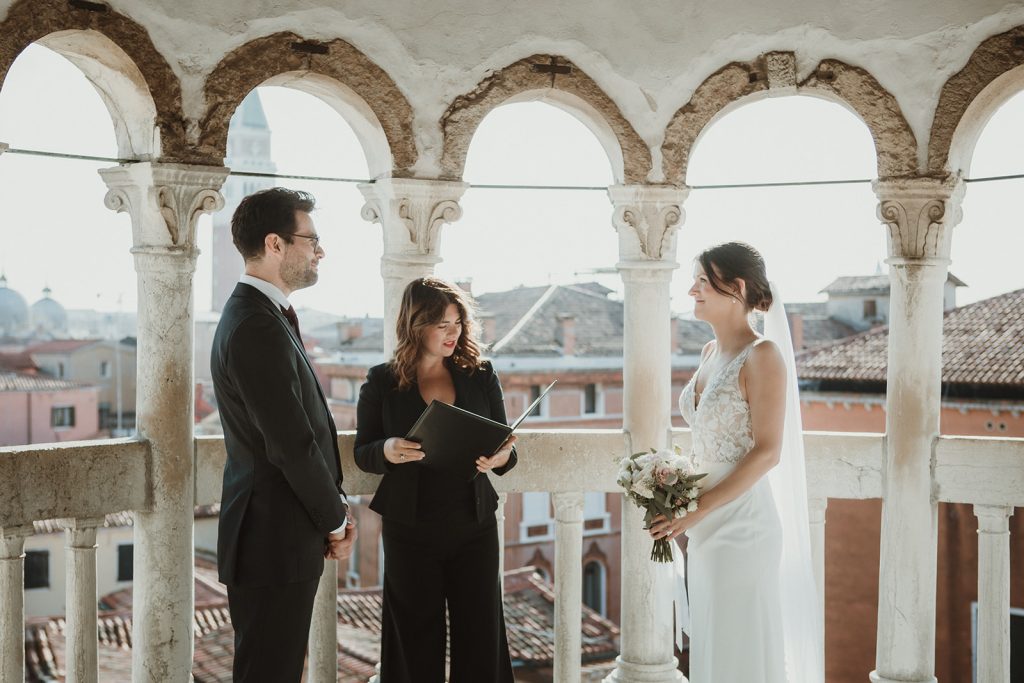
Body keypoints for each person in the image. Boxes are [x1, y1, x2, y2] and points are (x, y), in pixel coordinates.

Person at [648, 241, 822, 682]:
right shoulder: (709, 354)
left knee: (739, 644)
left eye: (703, 281)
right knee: (714, 642)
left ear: (737, 287)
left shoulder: (763, 355)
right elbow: (709, 441)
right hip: (703, 525)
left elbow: (767, 451)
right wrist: (673, 487)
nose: (692, 290)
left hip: (743, 523)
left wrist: (695, 511)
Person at [211, 187, 356, 682]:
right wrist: (335, 520)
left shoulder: (262, 315)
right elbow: (292, 443)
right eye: (311, 238)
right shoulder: (255, 323)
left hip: (276, 536)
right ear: (275, 244)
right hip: (271, 541)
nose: (321, 250)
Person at [354, 277, 516, 683]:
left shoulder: (481, 375)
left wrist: (502, 456)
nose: (453, 333)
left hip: (474, 524)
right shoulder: (381, 381)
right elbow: (363, 452)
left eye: (458, 323)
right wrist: (388, 448)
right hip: (411, 529)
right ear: (415, 323)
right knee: (413, 639)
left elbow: (506, 445)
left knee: (481, 636)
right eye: (442, 323)